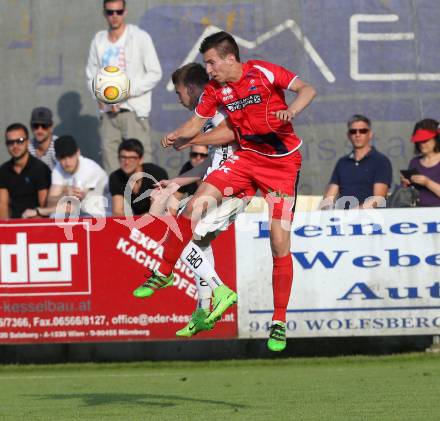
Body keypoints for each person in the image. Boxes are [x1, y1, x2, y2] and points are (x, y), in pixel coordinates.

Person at [133, 32, 317, 351]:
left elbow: (307, 89)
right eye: (206, 64)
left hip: (282, 165)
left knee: (278, 241)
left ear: (230, 58)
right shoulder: (216, 90)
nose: (209, 70)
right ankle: (164, 272)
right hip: (245, 159)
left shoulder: (263, 72)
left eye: (211, 62)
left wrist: (292, 111)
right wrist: (180, 136)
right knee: (192, 210)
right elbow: (196, 124)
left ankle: (278, 321)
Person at [138, 62, 244, 338]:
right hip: (218, 186)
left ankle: (220, 289)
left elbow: (234, 133)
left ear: (191, 88)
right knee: (197, 242)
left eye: (178, 93)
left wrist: (193, 138)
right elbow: (213, 159)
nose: (178, 98)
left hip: (230, 188)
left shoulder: (220, 110)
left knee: (179, 233)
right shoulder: (210, 116)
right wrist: (178, 181)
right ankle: (202, 310)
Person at [86, 0, 162, 173]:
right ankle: (118, 201)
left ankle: (145, 200)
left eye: (118, 12)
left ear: (125, 12)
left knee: (141, 168)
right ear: (104, 13)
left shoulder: (139, 37)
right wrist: (99, 96)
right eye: (110, 12)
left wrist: (126, 92)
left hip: (133, 112)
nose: (114, 16)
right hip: (108, 115)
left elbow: (155, 73)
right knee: (112, 168)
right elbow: (91, 76)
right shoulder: (99, 40)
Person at [22, 135, 108, 218]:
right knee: (55, 216)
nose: (67, 162)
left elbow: (72, 207)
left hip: (105, 215)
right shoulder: (58, 169)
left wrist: (38, 211)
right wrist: (66, 193)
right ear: (57, 158)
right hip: (84, 215)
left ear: (78, 153)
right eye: (62, 157)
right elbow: (50, 202)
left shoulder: (88, 169)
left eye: (70, 156)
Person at [322, 114, 392, 209]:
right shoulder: (342, 162)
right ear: (348, 135)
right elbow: (330, 196)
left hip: (372, 219)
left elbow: (378, 198)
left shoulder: (381, 161)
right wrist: (326, 212)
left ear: (370, 134)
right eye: (353, 131)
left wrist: (354, 213)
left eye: (363, 131)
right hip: (342, 220)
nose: (357, 134)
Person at [0, 123, 51, 219]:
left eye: (20, 141)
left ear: (28, 142)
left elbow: (44, 207)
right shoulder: (3, 171)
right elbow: (2, 206)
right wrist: (5, 230)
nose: (15, 146)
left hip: (36, 226)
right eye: (10, 142)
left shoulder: (40, 169)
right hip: (12, 225)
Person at [109, 138, 168, 216]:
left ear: (141, 160)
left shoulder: (156, 174)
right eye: (123, 157)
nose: (126, 162)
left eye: (132, 158)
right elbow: (117, 212)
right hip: (136, 221)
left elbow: (156, 212)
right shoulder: (115, 177)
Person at [400, 118, 440, 206]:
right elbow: (409, 193)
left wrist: (427, 183)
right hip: (417, 214)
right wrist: (405, 183)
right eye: (419, 141)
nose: (422, 144)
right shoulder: (414, 162)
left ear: (436, 139)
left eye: (425, 140)